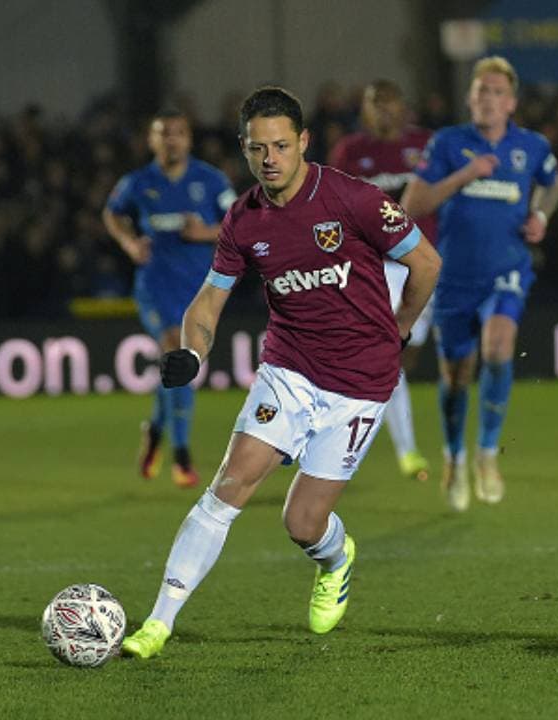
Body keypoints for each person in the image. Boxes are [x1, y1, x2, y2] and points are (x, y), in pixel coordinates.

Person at [121, 86, 441, 659]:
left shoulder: (354, 199)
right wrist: (193, 353)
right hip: (288, 371)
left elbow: (425, 262)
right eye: (257, 149)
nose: (269, 159)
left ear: (303, 143)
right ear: (244, 150)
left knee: (302, 522)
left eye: (280, 146)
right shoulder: (242, 221)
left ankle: (336, 557)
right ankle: (158, 623)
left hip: (360, 385)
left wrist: (401, 328)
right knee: (229, 485)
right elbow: (208, 301)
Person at [402, 56, 558, 512]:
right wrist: (465, 175)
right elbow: (412, 204)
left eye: (495, 92)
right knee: (457, 375)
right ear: (470, 100)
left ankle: (487, 456)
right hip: (453, 276)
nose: (486, 99)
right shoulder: (448, 144)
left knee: (497, 349)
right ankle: (454, 458)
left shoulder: (531, 146)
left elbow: (554, 184)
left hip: (507, 268)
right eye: (479, 92)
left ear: (511, 102)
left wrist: (542, 215)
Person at [103, 108, 236, 488]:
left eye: (178, 133)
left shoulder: (210, 180)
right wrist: (129, 242)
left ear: (189, 139)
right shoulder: (138, 182)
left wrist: (208, 232)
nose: (171, 140)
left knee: (178, 369)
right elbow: (111, 214)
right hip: (155, 288)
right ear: (152, 140)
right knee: (177, 358)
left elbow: (242, 221)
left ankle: (156, 431)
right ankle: (181, 456)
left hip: (199, 291)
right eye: (164, 134)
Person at [329, 78, 437, 483]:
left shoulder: (425, 146)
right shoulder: (351, 152)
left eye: (390, 102)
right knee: (389, 355)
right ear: (366, 109)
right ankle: (407, 451)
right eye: (375, 103)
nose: (384, 110)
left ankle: (363, 412)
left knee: (403, 357)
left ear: (403, 106)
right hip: (377, 267)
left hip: (424, 264)